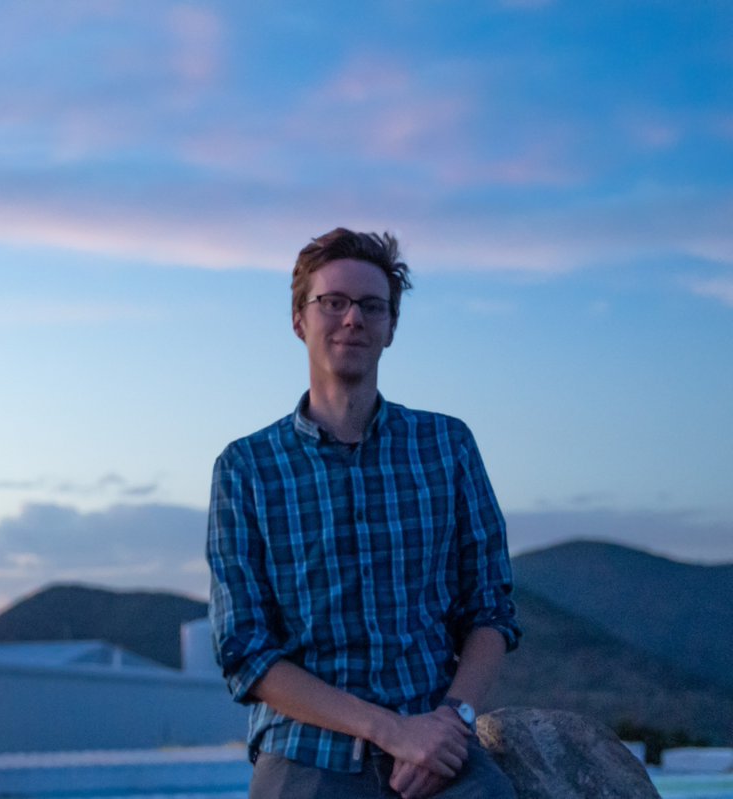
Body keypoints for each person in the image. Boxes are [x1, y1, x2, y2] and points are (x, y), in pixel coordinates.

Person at [207, 228, 520, 799]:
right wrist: (392, 731)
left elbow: (491, 609)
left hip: (438, 744)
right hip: (307, 751)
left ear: (391, 328)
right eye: (333, 302)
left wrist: (450, 723)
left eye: (372, 306)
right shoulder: (246, 467)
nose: (353, 318)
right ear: (300, 320)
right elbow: (245, 652)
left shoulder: (447, 446)